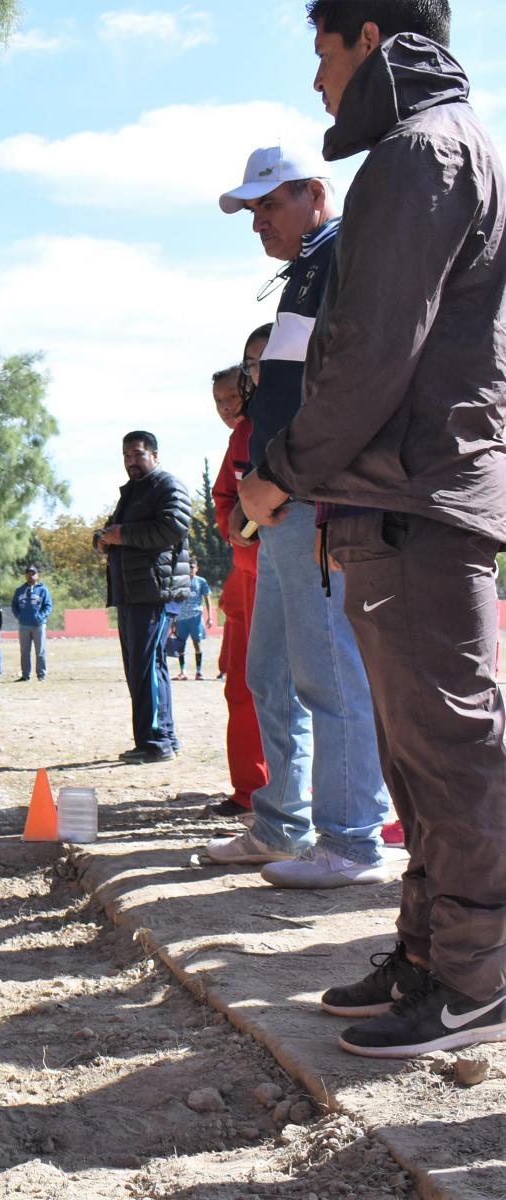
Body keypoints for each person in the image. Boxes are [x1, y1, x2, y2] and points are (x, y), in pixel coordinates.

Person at [241, 0, 506, 1058]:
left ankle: (477, 979)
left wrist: (281, 473)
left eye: (320, 51)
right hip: (400, 495)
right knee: (416, 754)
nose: (316, 82)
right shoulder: (433, 149)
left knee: (447, 752)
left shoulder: (417, 157)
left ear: (369, 39)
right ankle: (432, 954)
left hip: (413, 496)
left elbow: (368, 355)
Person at [212, 139, 391, 888]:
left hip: (311, 496)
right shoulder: (306, 270)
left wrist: (285, 480)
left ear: (314, 194)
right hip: (282, 495)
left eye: (269, 203)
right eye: (250, 209)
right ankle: (279, 823)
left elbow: (346, 388)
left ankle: (350, 841)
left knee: (328, 672)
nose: (257, 221)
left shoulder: (345, 256)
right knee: (270, 673)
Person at [97, 431, 191, 764]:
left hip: (154, 592)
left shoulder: (167, 485)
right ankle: (161, 737)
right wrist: (103, 539)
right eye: (126, 456)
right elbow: (111, 529)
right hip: (131, 592)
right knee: (145, 666)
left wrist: (121, 535)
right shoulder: (133, 493)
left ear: (155, 454)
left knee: (147, 667)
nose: (131, 462)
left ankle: (156, 742)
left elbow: (174, 526)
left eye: (137, 454)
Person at [209, 339, 272, 821]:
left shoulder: (298, 420)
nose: (228, 408)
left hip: (291, 575)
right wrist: (232, 521)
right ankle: (252, 789)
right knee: (245, 686)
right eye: (219, 403)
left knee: (305, 688)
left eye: (234, 396)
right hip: (245, 582)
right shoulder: (241, 437)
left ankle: (291, 796)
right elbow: (225, 499)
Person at [168, 573, 214, 681]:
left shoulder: (201, 581)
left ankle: (198, 672)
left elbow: (207, 597)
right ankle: (183, 672)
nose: (191, 569)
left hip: (195, 616)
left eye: (193, 567)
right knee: (180, 645)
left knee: (197, 643)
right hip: (181, 617)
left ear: (197, 569)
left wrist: (210, 616)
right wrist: (173, 619)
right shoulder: (180, 581)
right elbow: (175, 600)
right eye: (189, 567)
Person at [11, 566, 51, 681]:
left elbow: (48, 606)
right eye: (28, 573)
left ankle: (41, 674)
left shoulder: (43, 590)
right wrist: (19, 616)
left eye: (33, 573)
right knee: (24, 651)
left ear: (37, 575)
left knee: (40, 651)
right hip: (24, 625)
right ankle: (25, 675)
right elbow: (14, 605)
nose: (31, 575)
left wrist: (40, 616)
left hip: (38, 625)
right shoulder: (20, 590)